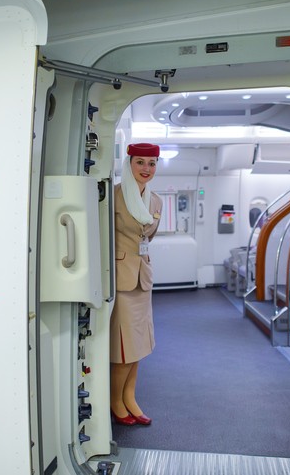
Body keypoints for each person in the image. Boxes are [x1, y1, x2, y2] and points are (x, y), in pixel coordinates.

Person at [110, 142, 163, 426]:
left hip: (143, 278)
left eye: (152, 163)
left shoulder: (156, 201)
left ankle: (130, 397)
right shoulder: (114, 195)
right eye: (140, 162)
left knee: (139, 346)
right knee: (124, 349)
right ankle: (115, 400)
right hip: (121, 278)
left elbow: (147, 238)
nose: (146, 168)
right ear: (129, 163)